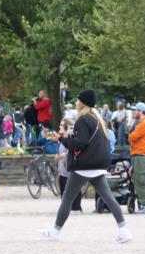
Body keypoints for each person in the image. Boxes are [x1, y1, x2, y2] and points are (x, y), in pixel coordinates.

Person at [40, 90, 131, 243]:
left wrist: (63, 140)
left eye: (77, 100)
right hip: (98, 164)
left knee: (67, 199)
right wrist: (63, 138)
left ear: (82, 103)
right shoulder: (98, 119)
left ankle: (55, 231)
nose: (76, 103)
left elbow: (80, 143)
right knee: (108, 198)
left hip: (84, 165)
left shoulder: (82, 120)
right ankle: (124, 229)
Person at [127, 102, 145, 214]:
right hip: (140, 156)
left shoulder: (144, 124)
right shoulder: (143, 123)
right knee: (139, 179)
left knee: (142, 180)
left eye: (136, 110)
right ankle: (143, 205)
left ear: (141, 111)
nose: (134, 112)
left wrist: (131, 135)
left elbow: (131, 137)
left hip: (141, 156)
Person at [55, 117, 83, 213]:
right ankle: (65, 208)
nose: (60, 127)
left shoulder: (71, 137)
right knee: (63, 188)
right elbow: (59, 152)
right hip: (62, 168)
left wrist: (64, 155)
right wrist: (58, 156)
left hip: (70, 167)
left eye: (62, 125)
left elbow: (74, 149)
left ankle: (76, 207)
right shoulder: (61, 138)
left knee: (73, 188)